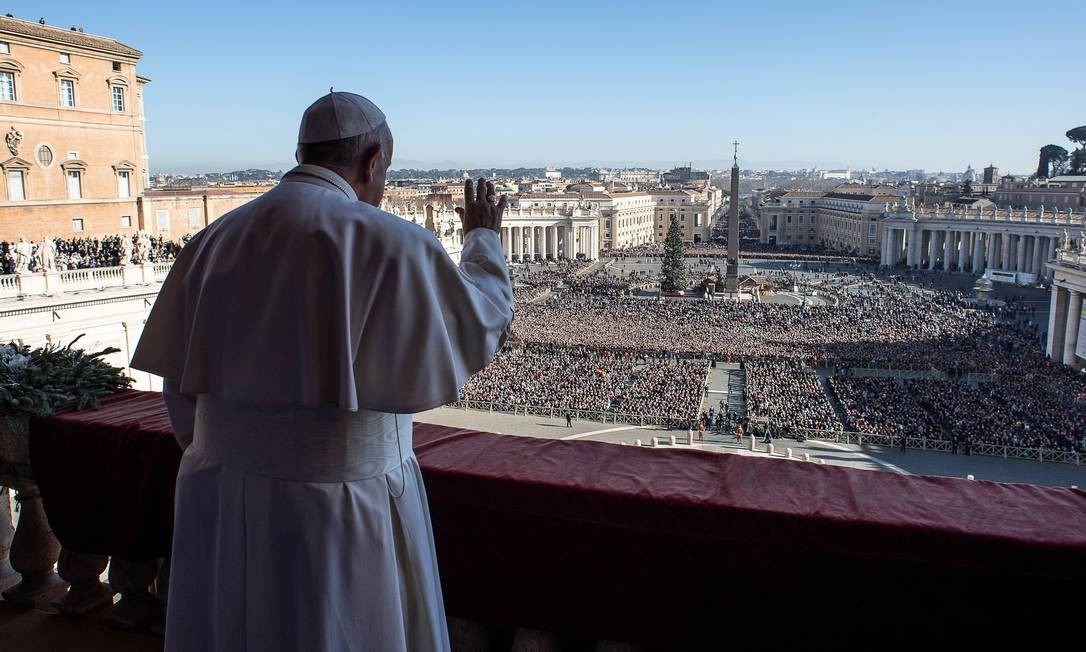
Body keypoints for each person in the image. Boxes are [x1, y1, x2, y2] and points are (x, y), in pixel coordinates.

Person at [131, 92, 514, 652]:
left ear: (302, 152)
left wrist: (238, 451)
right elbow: (484, 319)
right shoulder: (392, 241)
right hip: (342, 502)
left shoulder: (212, 241)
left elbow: (181, 389)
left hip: (221, 494)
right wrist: (484, 237)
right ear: (373, 160)